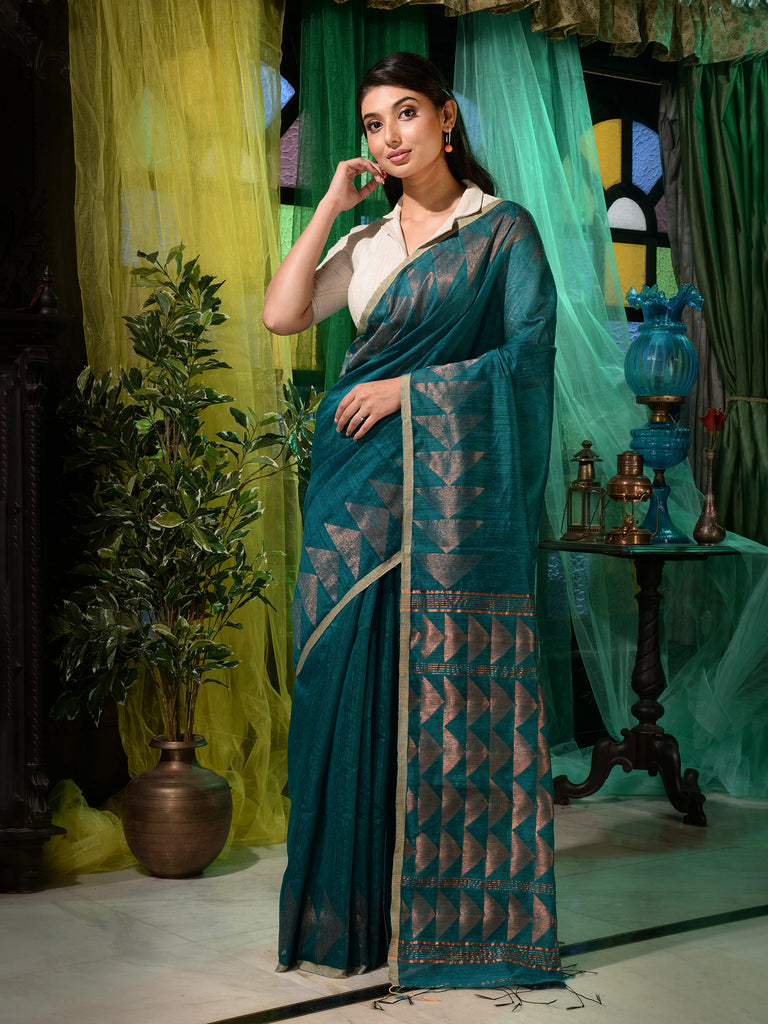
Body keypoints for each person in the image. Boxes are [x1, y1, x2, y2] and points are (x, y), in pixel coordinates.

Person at [263, 52, 562, 991]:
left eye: (405, 114)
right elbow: (282, 315)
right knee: (338, 678)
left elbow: (528, 358)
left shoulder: (500, 230)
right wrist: (328, 208)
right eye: (373, 124)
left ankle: (445, 924)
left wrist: (408, 389)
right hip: (350, 485)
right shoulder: (369, 241)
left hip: (440, 487)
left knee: (427, 687)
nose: (389, 137)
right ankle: (344, 921)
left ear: (446, 118)